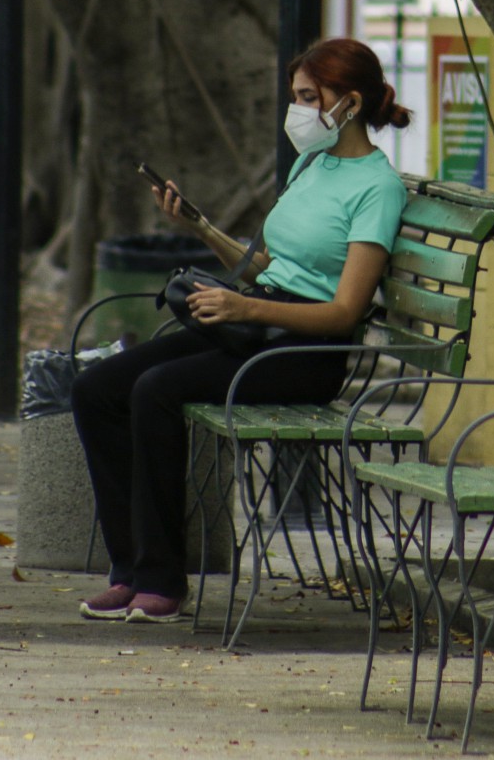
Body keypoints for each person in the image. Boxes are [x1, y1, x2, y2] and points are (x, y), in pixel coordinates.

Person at [69, 37, 411, 623]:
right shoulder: (313, 164)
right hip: (257, 326)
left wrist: (246, 310)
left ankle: (163, 582)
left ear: (349, 103)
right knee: (96, 388)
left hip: (307, 351)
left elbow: (344, 313)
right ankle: (128, 570)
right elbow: (266, 266)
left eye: (310, 97)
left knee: (157, 389)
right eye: (296, 97)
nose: (298, 111)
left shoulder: (377, 189)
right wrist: (199, 227)